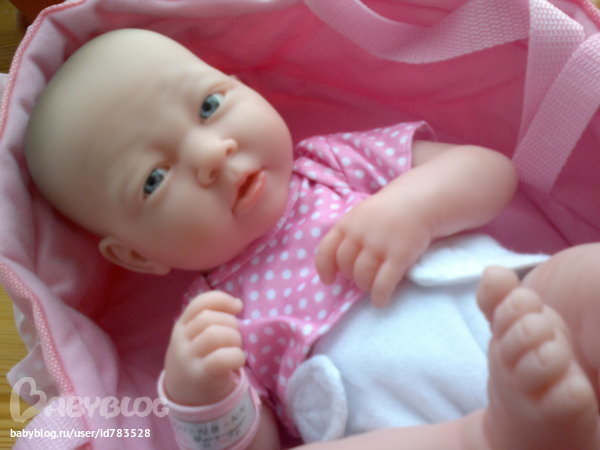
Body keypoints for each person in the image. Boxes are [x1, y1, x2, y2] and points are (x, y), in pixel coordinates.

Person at [23, 28, 600, 450]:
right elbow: (258, 443)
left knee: (577, 280)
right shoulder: (210, 321)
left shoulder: (332, 164)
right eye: (153, 179)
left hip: (506, 303)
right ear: (136, 255)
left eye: (209, 106)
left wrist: (414, 209)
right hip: (418, 428)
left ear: (242, 86)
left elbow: (488, 172)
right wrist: (202, 396)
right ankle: (499, 435)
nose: (209, 153)